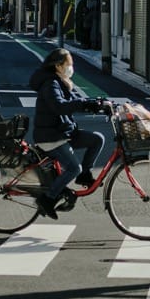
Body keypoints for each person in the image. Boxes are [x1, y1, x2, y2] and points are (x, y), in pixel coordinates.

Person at [29, 47, 107, 219]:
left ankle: (85, 176)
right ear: (58, 66)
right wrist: (82, 104)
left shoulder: (60, 81)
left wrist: (94, 104)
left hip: (63, 133)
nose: (71, 67)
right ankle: (48, 199)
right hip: (50, 137)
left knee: (97, 139)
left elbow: (72, 102)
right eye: (69, 64)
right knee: (73, 168)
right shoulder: (51, 83)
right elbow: (59, 106)